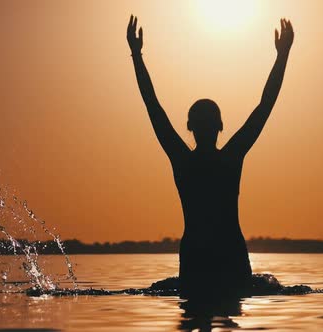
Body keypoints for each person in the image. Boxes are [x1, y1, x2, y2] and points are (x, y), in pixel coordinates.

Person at [126, 15, 294, 299]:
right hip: (227, 254)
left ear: (190, 127)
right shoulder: (230, 158)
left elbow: (152, 105)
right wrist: (282, 55)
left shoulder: (185, 160)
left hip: (198, 256)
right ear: (220, 126)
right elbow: (264, 106)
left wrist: (137, 54)